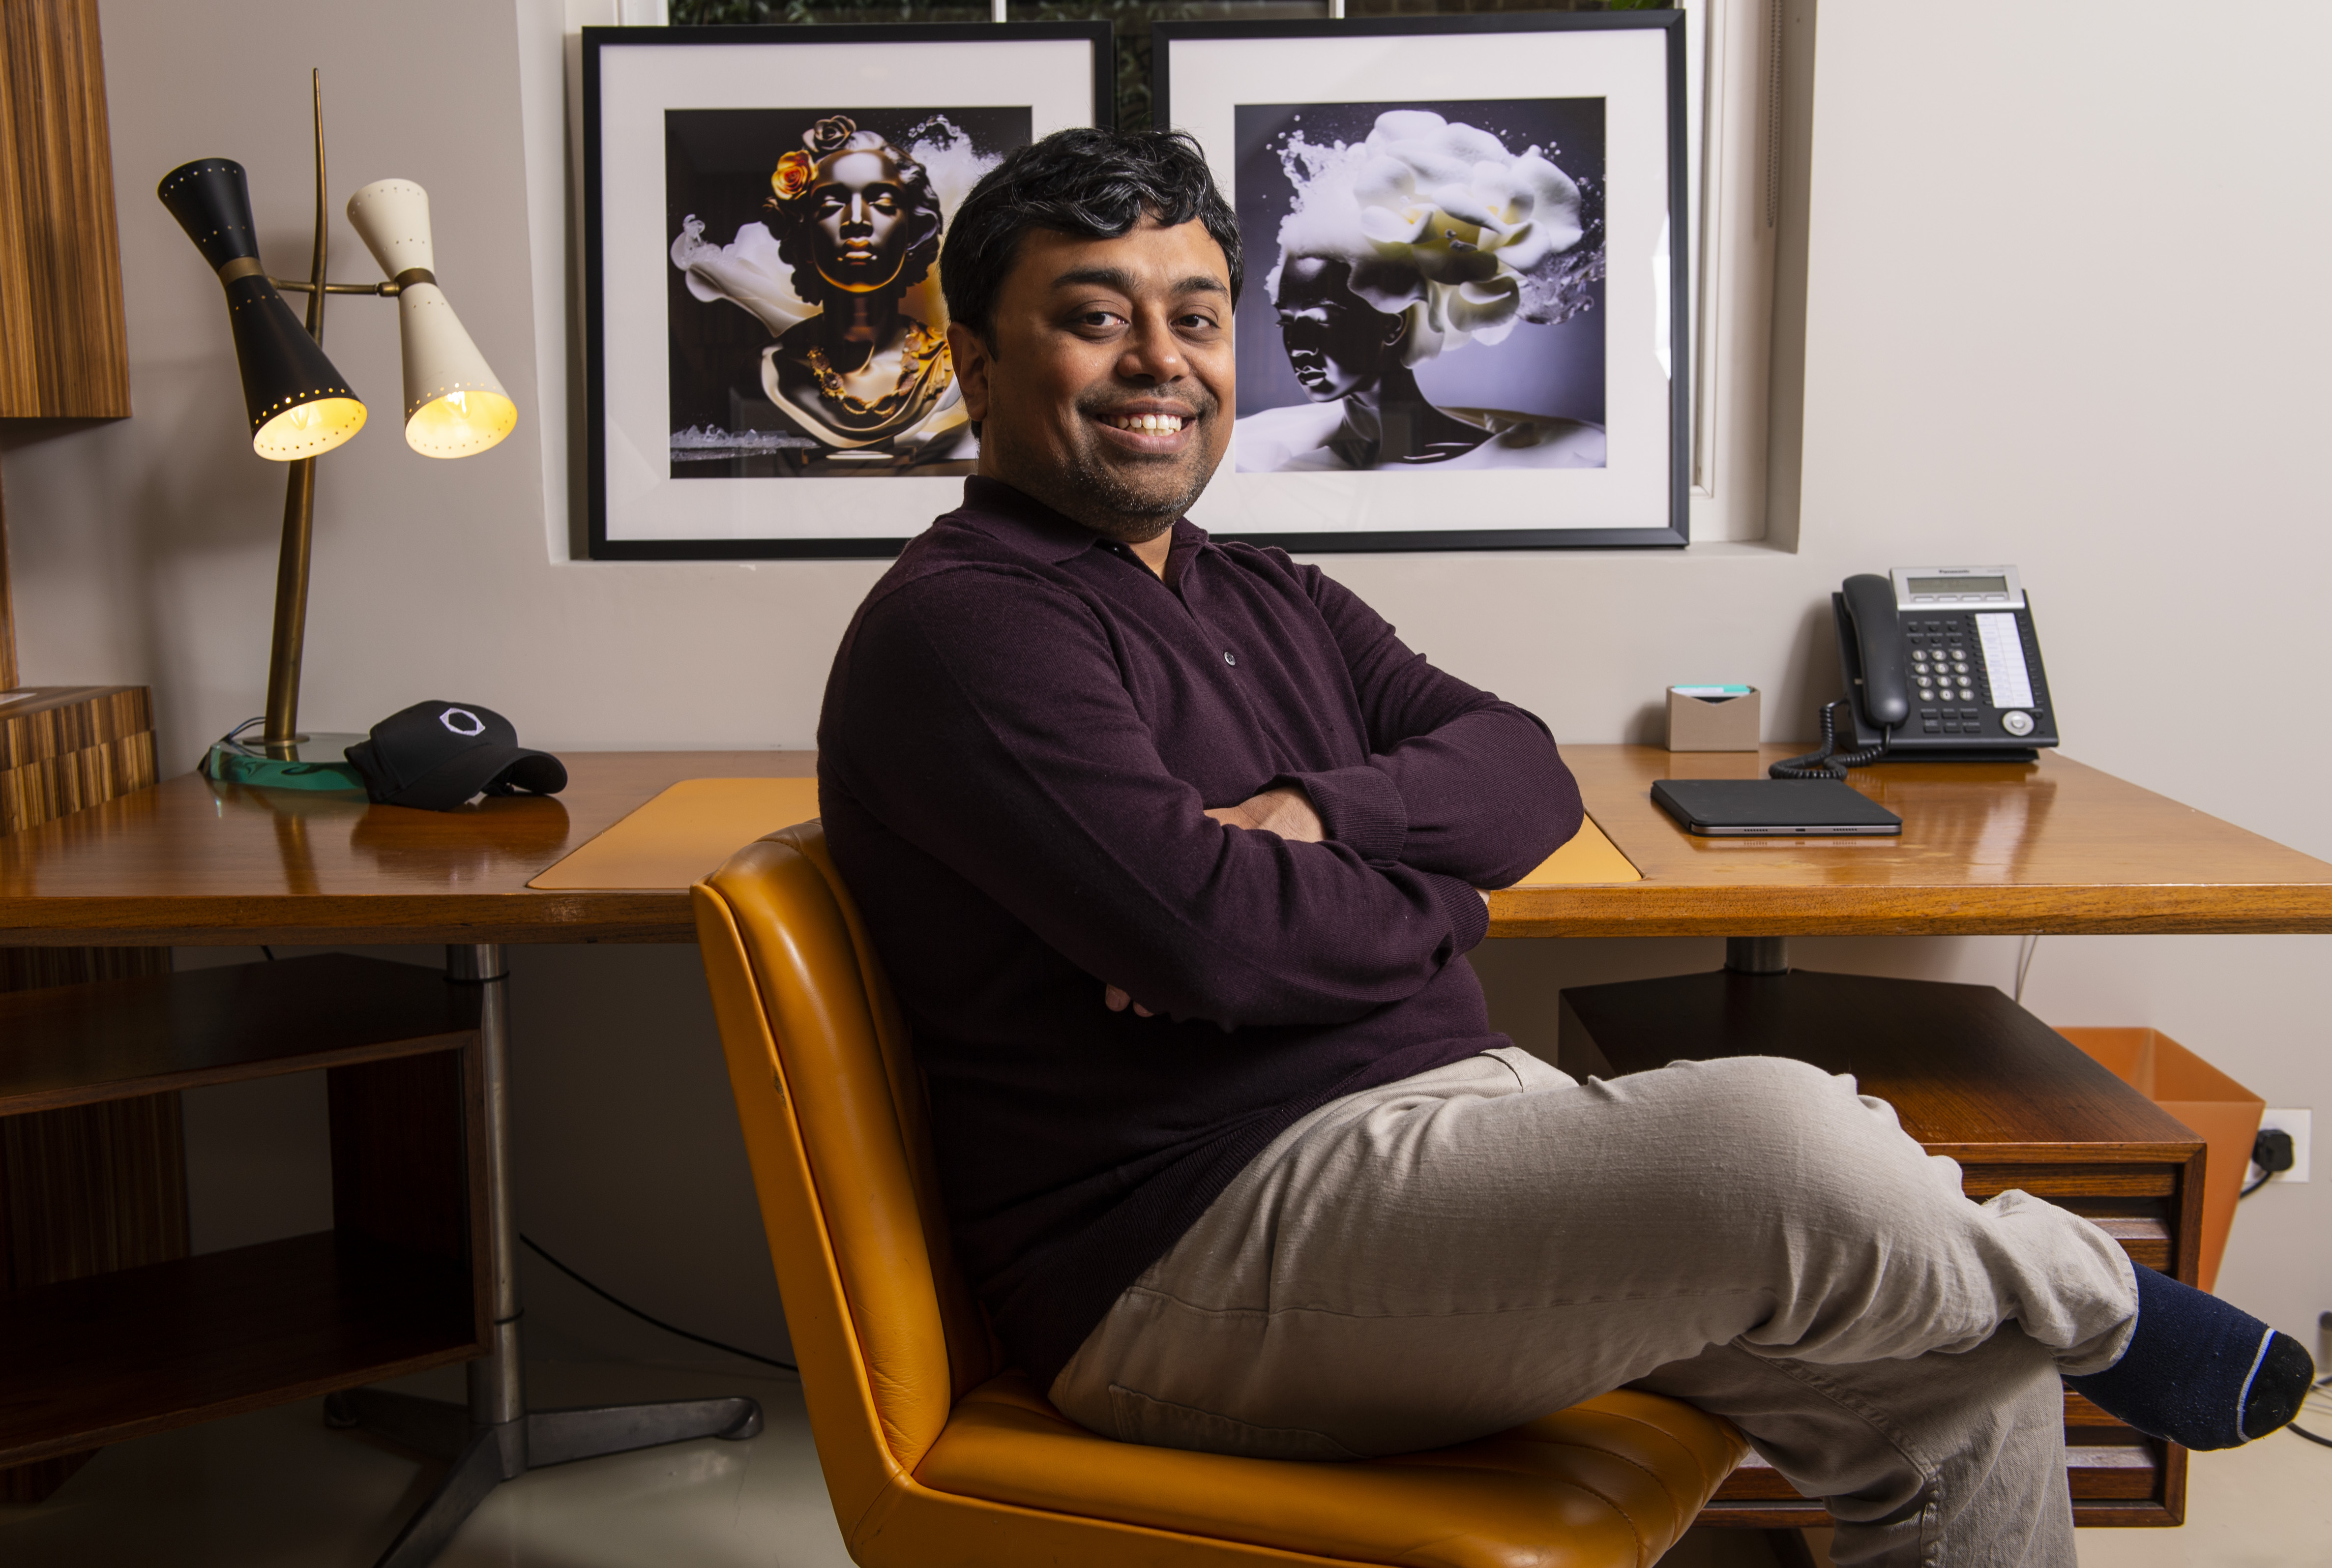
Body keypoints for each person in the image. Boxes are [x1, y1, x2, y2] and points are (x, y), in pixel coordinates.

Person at [814, 128, 2313, 1567]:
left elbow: (1522, 779)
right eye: (1093, 318)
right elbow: (1213, 939)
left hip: (1445, 1145)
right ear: (981, 360)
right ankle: (2099, 1300)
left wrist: (1335, 822)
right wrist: (1426, 909)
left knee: (1959, 1375)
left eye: (1194, 316)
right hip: (1194, 1252)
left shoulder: (1267, 594)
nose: (1160, 362)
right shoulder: (969, 626)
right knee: (1780, 1139)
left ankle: (2037, 1310)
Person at [1232, 110, 1605, 473]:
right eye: (1287, 322)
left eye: (1320, 320)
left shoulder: (1553, 463)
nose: (1299, 345)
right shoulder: (1257, 452)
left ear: (1393, 325)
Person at [671, 115, 974, 473]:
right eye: (832, 205)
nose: (857, 220)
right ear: (805, 236)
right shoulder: (767, 370)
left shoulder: (952, 368)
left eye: (882, 202)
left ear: (912, 232)